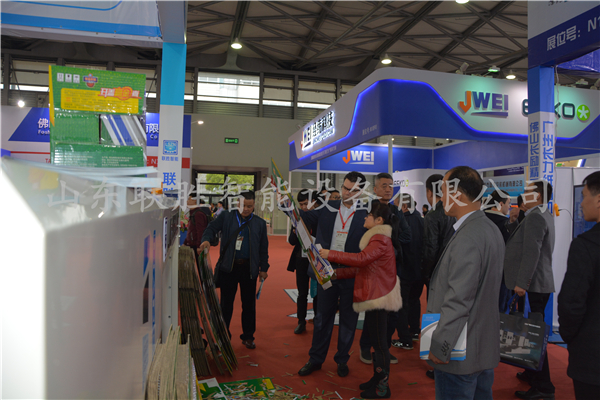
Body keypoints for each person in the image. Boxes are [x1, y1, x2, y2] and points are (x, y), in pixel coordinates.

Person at [427, 166, 504, 400]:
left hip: (460, 351)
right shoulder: (490, 228)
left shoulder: (468, 236)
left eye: (443, 191)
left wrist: (441, 345)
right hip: (481, 348)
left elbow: (459, 300)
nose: (441, 198)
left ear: (457, 194)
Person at [319, 201, 402, 399]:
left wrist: (330, 254)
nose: (365, 217)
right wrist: (336, 274)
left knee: (380, 344)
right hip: (376, 294)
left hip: (379, 296)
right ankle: (377, 378)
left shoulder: (380, 239)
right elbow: (362, 267)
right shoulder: (377, 238)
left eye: (369, 215)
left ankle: (382, 387)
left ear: (379, 220)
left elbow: (360, 259)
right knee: (376, 340)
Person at [296, 171, 368, 378]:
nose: (347, 193)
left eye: (353, 190)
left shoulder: (367, 213)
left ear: (361, 191)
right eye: (345, 188)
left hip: (352, 273)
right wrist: (285, 204)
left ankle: (342, 359)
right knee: (322, 317)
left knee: (348, 319)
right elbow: (302, 216)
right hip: (327, 271)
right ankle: (315, 359)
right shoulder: (328, 207)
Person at [504, 180, 556, 400]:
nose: (523, 195)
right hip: (537, 283)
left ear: (539, 196)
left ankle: (544, 386)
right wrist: (515, 221)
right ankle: (532, 371)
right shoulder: (539, 214)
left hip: (533, 284)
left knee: (534, 334)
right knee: (532, 330)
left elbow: (531, 252)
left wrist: (522, 283)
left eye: (528, 192)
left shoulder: (536, 217)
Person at [199, 191, 269, 350]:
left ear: (254, 205)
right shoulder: (227, 217)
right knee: (226, 305)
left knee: (249, 305)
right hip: (228, 268)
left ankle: (248, 336)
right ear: (237, 203)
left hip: (249, 269)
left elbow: (263, 248)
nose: (246, 209)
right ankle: (223, 336)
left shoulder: (259, 223)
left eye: (250, 206)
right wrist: (206, 240)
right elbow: (211, 228)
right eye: (243, 205)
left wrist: (263, 268)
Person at [359, 172, 411, 365]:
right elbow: (363, 237)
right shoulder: (369, 210)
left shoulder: (396, 211)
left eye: (391, 185)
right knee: (373, 311)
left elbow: (407, 235)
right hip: (374, 269)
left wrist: (387, 245)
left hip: (394, 268)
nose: (389, 189)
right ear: (375, 189)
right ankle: (365, 346)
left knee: (393, 312)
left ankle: (384, 349)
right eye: (384, 186)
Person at [558, 171, 600, 400]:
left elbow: (571, 303)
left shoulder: (586, 246)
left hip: (592, 358)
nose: (581, 203)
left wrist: (572, 338)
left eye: (584, 196)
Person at [421, 173, 456, 380]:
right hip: (455, 271)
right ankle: (452, 354)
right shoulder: (455, 212)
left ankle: (436, 362)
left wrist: (426, 273)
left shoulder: (433, 215)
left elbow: (430, 248)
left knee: (434, 316)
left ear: (428, 192)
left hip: (437, 273)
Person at [392, 193, 424, 349]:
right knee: (414, 301)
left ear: (404, 206)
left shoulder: (402, 223)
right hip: (420, 271)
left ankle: (405, 339)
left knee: (402, 305)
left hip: (404, 270)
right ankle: (415, 331)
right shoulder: (423, 220)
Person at [287, 189, 313, 334]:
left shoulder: (318, 217)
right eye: (301, 204)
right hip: (301, 259)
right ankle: (301, 321)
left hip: (317, 259)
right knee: (302, 292)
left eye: (306, 204)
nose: (303, 207)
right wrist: (295, 233)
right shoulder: (298, 218)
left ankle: (318, 318)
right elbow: (291, 241)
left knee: (317, 292)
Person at [483, 189, 512, 312]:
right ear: (500, 204)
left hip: (480, 273)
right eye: (508, 203)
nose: (510, 206)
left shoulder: (479, 220)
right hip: (501, 276)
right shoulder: (506, 225)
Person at [183, 194, 209, 268]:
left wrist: (199, 246)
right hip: (192, 245)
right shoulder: (193, 213)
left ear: (194, 200)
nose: (187, 201)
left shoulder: (198, 214)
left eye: (189, 199)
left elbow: (200, 231)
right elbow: (191, 230)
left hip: (196, 247)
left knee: (199, 268)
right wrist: (185, 242)